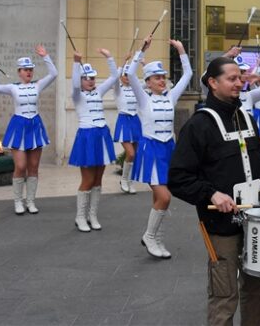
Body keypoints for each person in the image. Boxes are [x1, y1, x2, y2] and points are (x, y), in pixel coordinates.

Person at [168, 56, 260, 326]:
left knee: (258, 290)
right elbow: (178, 177)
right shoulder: (198, 125)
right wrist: (212, 194)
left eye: (240, 78)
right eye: (231, 79)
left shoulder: (246, 116)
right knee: (224, 295)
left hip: (256, 219)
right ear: (213, 82)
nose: (239, 83)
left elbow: (258, 161)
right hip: (220, 223)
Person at [126, 34, 192, 259]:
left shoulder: (171, 97)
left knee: (161, 198)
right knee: (164, 198)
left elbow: (188, 74)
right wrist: (142, 50)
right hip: (151, 150)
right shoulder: (143, 98)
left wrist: (181, 50)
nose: (162, 80)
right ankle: (149, 236)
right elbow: (129, 74)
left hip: (168, 149)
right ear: (148, 82)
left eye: (163, 77)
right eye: (156, 78)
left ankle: (158, 240)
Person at [0, 45, 57, 215]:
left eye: (30, 69)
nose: (29, 72)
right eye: (25, 70)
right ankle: (18, 201)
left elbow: (54, 74)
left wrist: (45, 56)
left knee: (33, 167)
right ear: (19, 71)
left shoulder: (38, 85)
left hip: (35, 126)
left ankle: (31, 201)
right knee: (21, 165)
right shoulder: (13, 87)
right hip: (18, 126)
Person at [68, 49, 120, 232]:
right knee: (88, 179)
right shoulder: (78, 95)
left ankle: (93, 215)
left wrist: (109, 57)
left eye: (92, 77)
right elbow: (74, 85)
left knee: (98, 179)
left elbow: (115, 77)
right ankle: (80, 216)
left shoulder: (98, 92)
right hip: (87, 137)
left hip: (102, 135)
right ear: (81, 80)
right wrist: (75, 63)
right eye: (86, 78)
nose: (90, 80)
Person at [114, 56, 142, 194]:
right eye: (124, 75)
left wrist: (142, 63)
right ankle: (124, 179)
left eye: (128, 74)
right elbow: (114, 78)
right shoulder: (117, 89)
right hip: (124, 121)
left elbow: (148, 84)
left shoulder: (135, 88)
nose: (126, 77)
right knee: (130, 153)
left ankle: (130, 181)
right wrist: (123, 62)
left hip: (135, 120)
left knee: (134, 154)